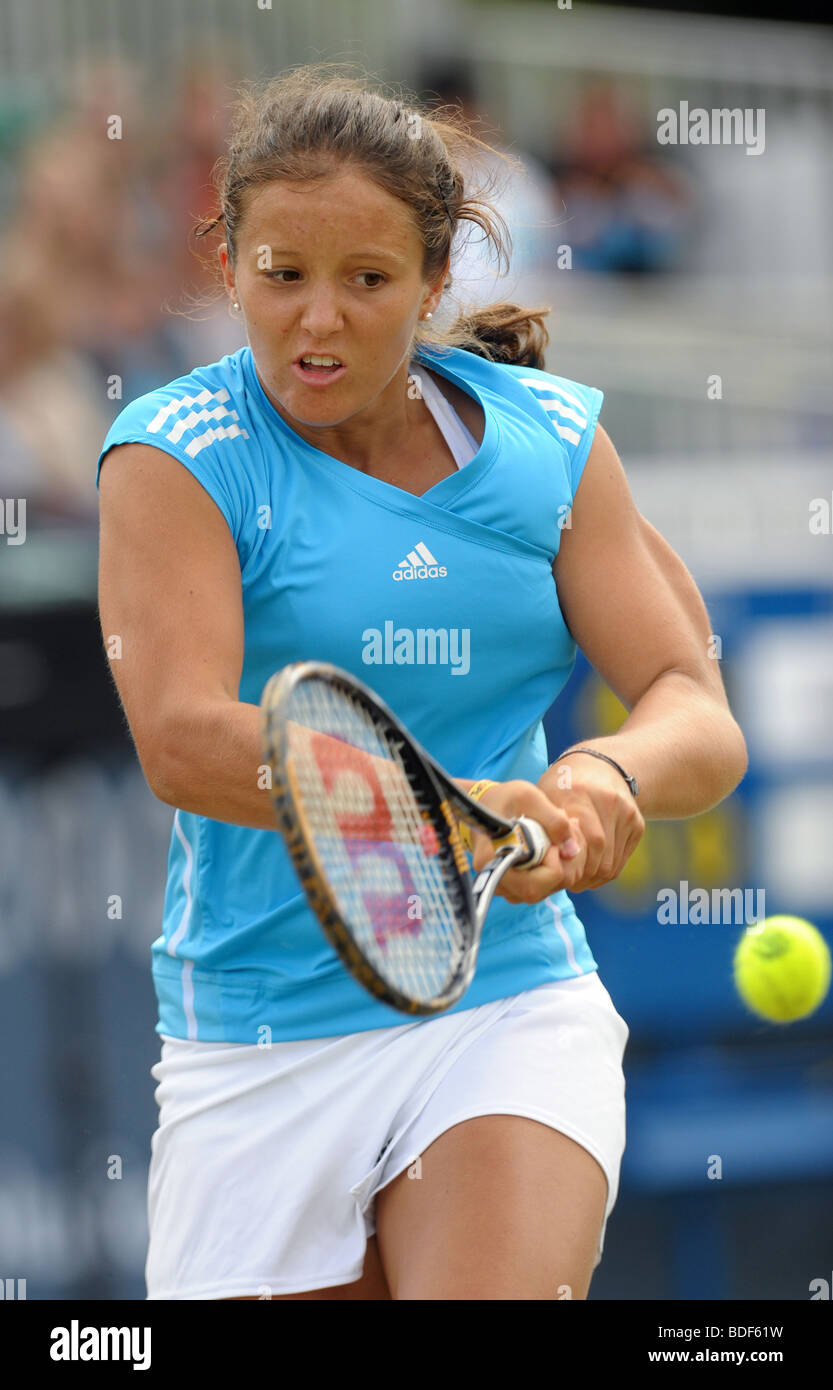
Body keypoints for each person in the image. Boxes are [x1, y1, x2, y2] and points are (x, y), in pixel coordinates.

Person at [96, 64, 747, 1301]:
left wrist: (601, 773)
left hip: (504, 1000)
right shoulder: (175, 456)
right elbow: (182, 738)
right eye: (281, 276)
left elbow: (688, 700)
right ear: (228, 262)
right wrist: (446, 806)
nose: (318, 322)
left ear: (438, 281)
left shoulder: (550, 442)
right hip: (258, 1042)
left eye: (369, 281)